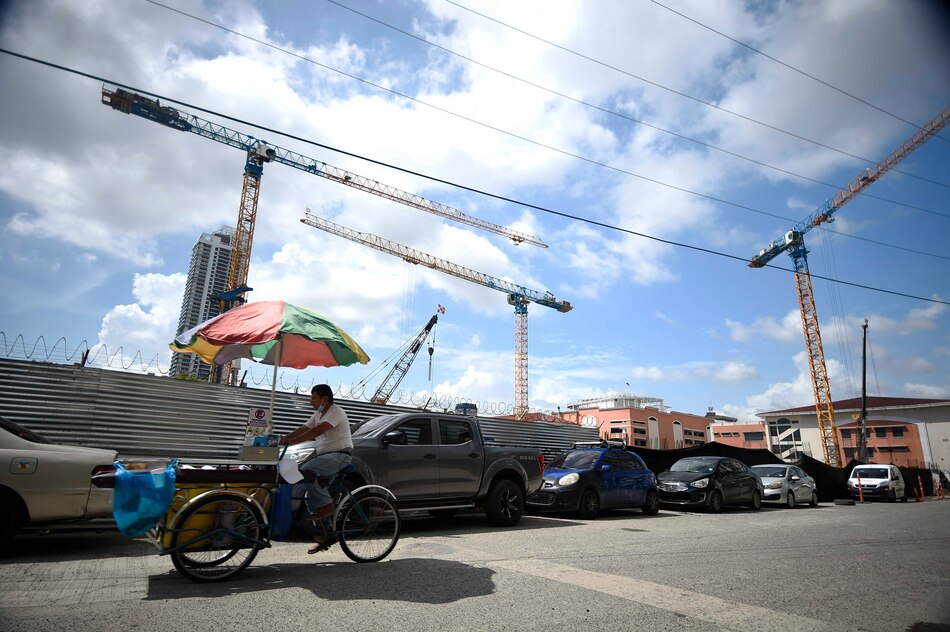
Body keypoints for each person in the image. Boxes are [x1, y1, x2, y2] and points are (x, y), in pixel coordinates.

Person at [277, 384, 352, 551]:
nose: (310, 401)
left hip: (341, 455)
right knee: (309, 493)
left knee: (306, 472)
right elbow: (305, 428)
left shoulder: (335, 412)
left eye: (313, 397)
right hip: (325, 457)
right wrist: (284, 438)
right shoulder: (318, 413)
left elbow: (317, 431)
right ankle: (328, 535)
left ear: (324, 399)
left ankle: (328, 507)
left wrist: (292, 441)